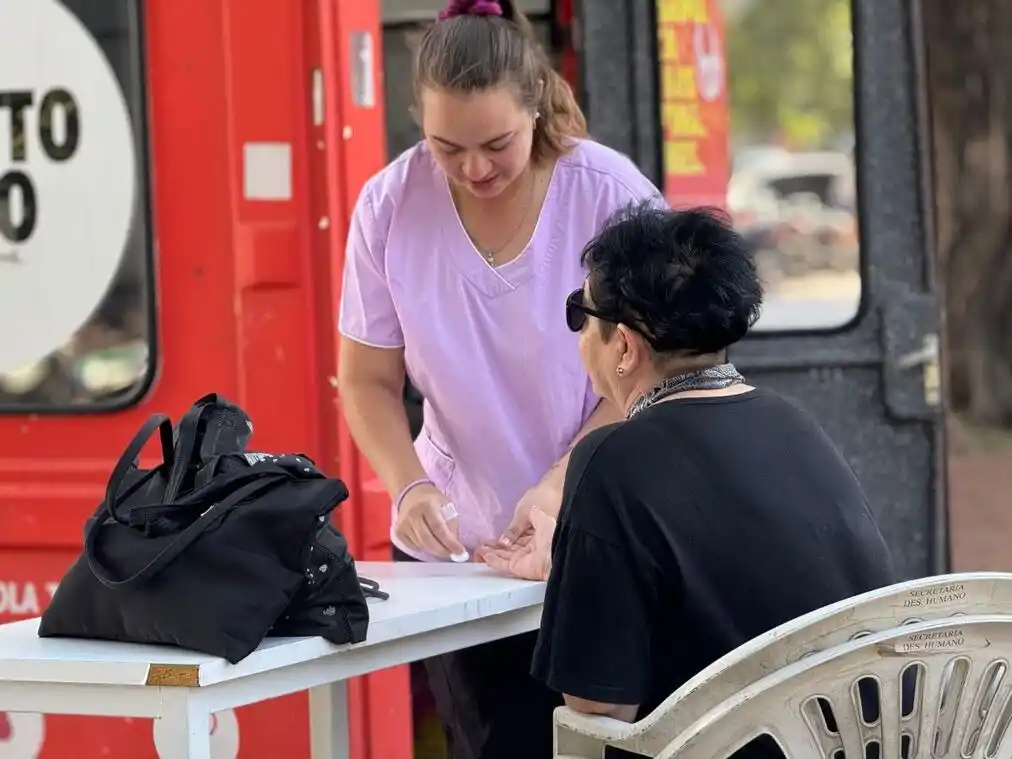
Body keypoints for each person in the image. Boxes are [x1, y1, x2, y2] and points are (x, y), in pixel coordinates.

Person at [335, 0, 664, 755]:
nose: (474, 168)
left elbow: (654, 373)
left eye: (497, 144)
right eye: (447, 147)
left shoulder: (609, 194)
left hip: (603, 535)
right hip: (467, 559)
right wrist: (409, 483)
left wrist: (559, 486)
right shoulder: (389, 205)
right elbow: (365, 382)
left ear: (538, 105)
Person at [479, 202, 895, 758]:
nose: (578, 336)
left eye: (582, 316)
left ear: (624, 346)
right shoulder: (793, 424)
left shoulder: (612, 458)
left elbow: (597, 710)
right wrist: (572, 556)